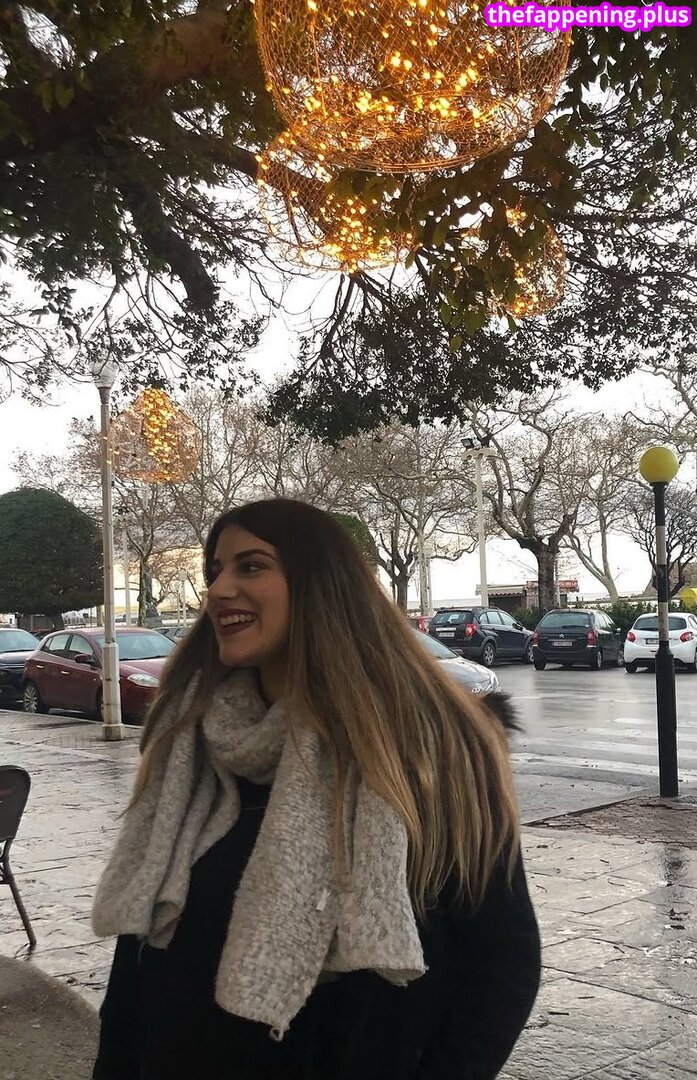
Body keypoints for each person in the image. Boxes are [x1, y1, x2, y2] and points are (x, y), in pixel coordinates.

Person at [91, 498, 541, 1080]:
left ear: (320, 585)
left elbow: (500, 965)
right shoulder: (190, 739)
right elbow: (140, 948)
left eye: (251, 566)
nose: (220, 589)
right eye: (215, 570)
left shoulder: (430, 751)